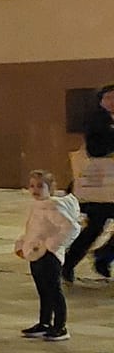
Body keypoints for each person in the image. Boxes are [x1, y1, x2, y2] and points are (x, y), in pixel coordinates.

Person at [16, 168, 81, 343]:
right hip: (36, 255)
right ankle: (44, 323)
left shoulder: (53, 206)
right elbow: (34, 230)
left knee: (54, 291)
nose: (35, 190)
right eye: (32, 186)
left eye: (40, 186)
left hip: (49, 257)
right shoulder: (37, 206)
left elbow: (72, 228)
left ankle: (60, 326)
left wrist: (51, 246)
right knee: (43, 291)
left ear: (50, 188)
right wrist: (23, 244)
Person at [62, 84, 114, 283]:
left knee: (96, 226)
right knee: (95, 226)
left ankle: (104, 256)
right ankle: (68, 262)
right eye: (108, 98)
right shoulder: (96, 121)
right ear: (101, 101)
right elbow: (95, 149)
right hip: (98, 185)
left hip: (110, 185)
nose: (112, 101)